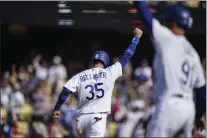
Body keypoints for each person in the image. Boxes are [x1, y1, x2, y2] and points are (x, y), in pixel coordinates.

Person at [53, 28, 143, 137]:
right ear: (106, 61)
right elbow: (127, 55)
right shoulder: (110, 72)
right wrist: (136, 38)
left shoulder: (80, 75)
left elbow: (65, 91)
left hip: (80, 120)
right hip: (97, 119)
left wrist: (57, 108)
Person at [134, 1, 206, 137]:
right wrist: (199, 115)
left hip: (170, 105)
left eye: (167, 22)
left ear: (173, 23)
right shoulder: (193, 53)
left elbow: (146, 16)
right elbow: (202, 92)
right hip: (189, 109)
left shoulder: (167, 37)